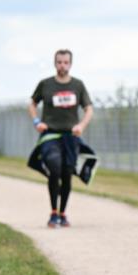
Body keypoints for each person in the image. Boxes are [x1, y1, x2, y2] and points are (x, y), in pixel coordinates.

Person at [28, 49, 94, 227]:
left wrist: (81, 126)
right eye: (59, 62)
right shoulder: (45, 84)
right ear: (54, 63)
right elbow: (32, 103)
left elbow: (89, 109)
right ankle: (53, 213)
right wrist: (36, 121)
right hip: (50, 135)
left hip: (70, 137)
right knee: (54, 168)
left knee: (66, 174)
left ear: (70, 64)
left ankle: (63, 213)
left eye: (65, 62)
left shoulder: (78, 85)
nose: (62, 65)